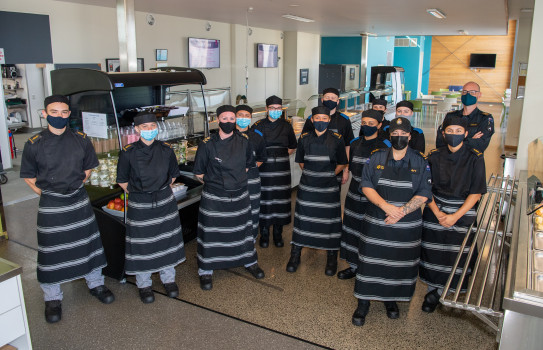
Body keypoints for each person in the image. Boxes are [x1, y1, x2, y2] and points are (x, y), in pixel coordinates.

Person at [20, 95, 114, 323]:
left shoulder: (81, 139)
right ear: (44, 113)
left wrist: (76, 186)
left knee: (87, 243)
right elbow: (29, 177)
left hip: (79, 200)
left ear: (69, 115)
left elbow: (89, 168)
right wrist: (48, 194)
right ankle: (52, 298)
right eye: (54, 112)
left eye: (63, 112)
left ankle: (96, 284)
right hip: (51, 205)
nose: (59, 116)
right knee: (52, 250)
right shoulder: (34, 144)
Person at [352, 117, 432, 326]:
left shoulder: (420, 161)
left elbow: (424, 193)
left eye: (403, 134)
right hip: (377, 220)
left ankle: (391, 299)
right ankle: (363, 303)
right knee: (370, 262)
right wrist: (387, 207)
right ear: (390, 135)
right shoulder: (376, 157)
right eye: (395, 134)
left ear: (409, 136)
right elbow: (366, 185)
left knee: (398, 263)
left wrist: (401, 212)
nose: (399, 137)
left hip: (406, 226)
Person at [116, 112, 186, 304]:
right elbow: (122, 180)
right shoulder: (128, 152)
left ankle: (169, 279)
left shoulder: (166, 149)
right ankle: (144, 284)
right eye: (144, 127)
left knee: (167, 241)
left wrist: (160, 190)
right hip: (140, 204)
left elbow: (173, 175)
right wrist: (139, 194)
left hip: (164, 202)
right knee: (142, 245)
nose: (149, 130)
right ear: (137, 129)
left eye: (152, 126)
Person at [193, 105, 265, 291]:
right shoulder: (207, 144)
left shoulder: (245, 141)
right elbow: (199, 173)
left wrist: (235, 182)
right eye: (224, 119)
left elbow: (248, 165)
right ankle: (206, 270)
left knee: (243, 229)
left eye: (231, 119)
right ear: (217, 120)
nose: (228, 122)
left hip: (240, 193)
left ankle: (249, 261)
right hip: (214, 197)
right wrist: (217, 184)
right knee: (211, 233)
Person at [419, 116, 486, 313]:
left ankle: (442, 292)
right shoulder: (433, 156)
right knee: (433, 253)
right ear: (443, 133)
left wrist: (455, 216)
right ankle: (432, 290)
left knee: (456, 255)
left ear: (466, 134)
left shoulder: (475, 157)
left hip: (462, 212)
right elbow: (425, 188)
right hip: (434, 211)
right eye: (450, 131)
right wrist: (438, 213)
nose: (454, 135)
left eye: (458, 131)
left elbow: (476, 193)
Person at [287, 106, 348, 275]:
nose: (321, 121)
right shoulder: (305, 138)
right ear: (312, 120)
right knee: (303, 220)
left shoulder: (337, 139)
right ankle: (295, 255)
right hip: (307, 187)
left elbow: (342, 162)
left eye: (324, 118)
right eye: (317, 118)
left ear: (329, 120)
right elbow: (301, 161)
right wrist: (312, 174)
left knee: (330, 221)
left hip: (328, 188)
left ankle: (331, 257)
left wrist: (328, 175)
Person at [338, 110, 390, 280]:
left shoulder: (385, 146)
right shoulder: (354, 143)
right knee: (352, 229)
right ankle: (353, 266)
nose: (367, 126)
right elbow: (350, 165)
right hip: (354, 192)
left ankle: (369, 268)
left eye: (371, 124)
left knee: (370, 231)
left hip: (375, 195)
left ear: (379, 125)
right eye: (364, 123)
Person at [251, 96, 297, 248]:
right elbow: (253, 147)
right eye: (272, 108)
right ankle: (264, 233)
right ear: (266, 109)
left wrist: (280, 156)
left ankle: (278, 233)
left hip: (282, 169)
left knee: (281, 200)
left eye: (278, 108)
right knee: (265, 199)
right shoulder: (258, 125)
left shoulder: (287, 125)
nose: (275, 111)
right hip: (264, 168)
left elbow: (292, 146)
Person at [301, 87, 354, 185]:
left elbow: (347, 146)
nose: (330, 100)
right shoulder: (311, 119)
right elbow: (303, 145)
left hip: (336, 168)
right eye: (327, 97)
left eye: (333, 98)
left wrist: (346, 170)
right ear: (322, 100)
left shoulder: (344, 120)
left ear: (338, 101)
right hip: (313, 167)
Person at [235, 105, 267, 239]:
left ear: (251, 118)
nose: (243, 118)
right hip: (232, 181)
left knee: (252, 209)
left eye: (247, 116)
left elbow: (261, 157)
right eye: (240, 115)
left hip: (252, 179)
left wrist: (250, 167)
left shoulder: (256, 136)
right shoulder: (227, 135)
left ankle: (251, 240)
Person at [436, 81, 494, 152]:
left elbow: (480, 145)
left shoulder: (485, 119)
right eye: (465, 92)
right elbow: (440, 143)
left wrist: (453, 142)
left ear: (479, 95)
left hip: (471, 161)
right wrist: (470, 140)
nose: (467, 95)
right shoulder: (450, 116)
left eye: (472, 92)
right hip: (449, 160)